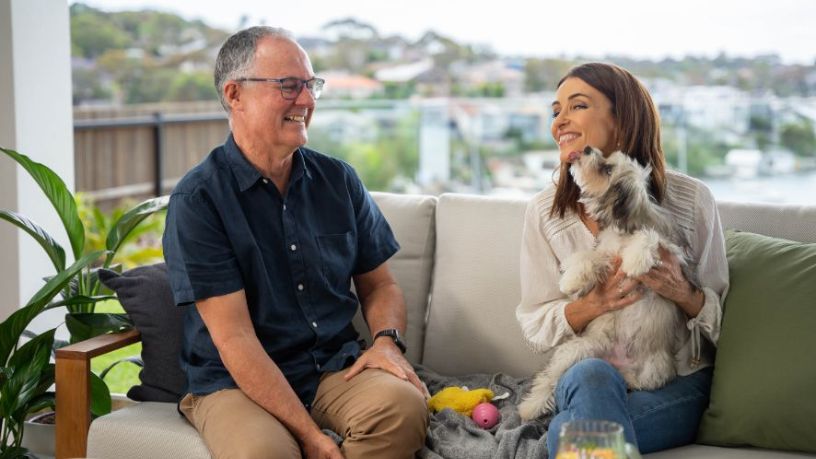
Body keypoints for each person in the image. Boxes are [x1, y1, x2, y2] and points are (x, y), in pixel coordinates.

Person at [162, 26, 429, 459]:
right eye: (288, 86)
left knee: (402, 409)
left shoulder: (338, 180)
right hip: (236, 382)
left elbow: (380, 286)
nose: (306, 101)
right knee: (262, 453)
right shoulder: (199, 201)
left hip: (332, 368)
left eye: (310, 86)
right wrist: (310, 435)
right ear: (235, 94)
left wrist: (385, 342)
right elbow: (235, 341)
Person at [515, 62, 729, 454]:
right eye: (555, 110)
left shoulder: (692, 200)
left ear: (623, 119)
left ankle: (569, 436)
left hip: (674, 379)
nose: (559, 120)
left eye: (577, 106)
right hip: (590, 372)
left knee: (568, 430)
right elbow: (534, 322)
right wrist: (592, 305)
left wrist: (684, 293)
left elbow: (725, 326)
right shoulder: (544, 213)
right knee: (592, 376)